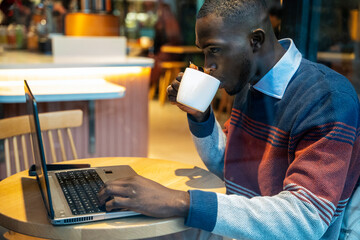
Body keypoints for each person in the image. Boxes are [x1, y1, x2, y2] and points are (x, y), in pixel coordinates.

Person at [98, 0, 360, 239]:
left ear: (255, 41)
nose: (208, 64)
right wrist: (200, 115)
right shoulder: (251, 83)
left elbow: (305, 219)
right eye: (204, 52)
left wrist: (181, 201)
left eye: (215, 50)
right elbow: (228, 164)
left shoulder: (327, 98)